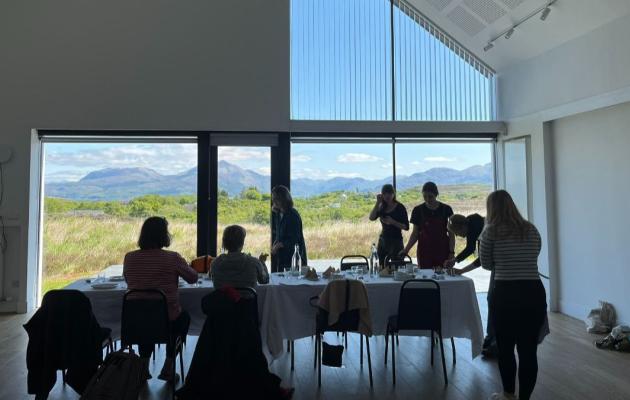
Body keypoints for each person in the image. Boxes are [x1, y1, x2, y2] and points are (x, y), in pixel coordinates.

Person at [480, 190, 547, 400]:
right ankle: (524, 398)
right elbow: (535, 254)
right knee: (528, 351)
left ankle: (508, 395)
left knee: (506, 349)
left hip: (505, 293)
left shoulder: (490, 231)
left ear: (491, 208)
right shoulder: (531, 229)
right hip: (533, 292)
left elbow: (486, 264)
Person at [123, 216, 198, 382]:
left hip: (135, 321)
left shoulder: (129, 257)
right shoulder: (172, 258)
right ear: (164, 235)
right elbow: (193, 278)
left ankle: (142, 367)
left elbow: (129, 280)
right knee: (182, 317)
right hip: (168, 320)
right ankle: (169, 365)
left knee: (146, 317)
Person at [445, 213, 497, 356]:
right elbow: (470, 248)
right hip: (500, 268)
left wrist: (461, 269)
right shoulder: (475, 224)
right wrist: (455, 261)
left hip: (500, 269)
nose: (459, 236)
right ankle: (491, 338)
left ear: (463, 226)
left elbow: (480, 259)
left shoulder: (482, 230)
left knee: (493, 300)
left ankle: (494, 340)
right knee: (492, 300)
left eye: (458, 233)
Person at [400, 182, 455, 268]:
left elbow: (451, 234)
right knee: (425, 278)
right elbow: (415, 234)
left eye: (430, 196)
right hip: (424, 251)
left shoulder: (446, 209)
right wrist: (406, 250)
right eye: (425, 196)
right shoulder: (417, 210)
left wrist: (451, 253)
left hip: (442, 250)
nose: (427, 199)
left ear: (436, 194)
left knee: (443, 277)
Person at [212, 225, 270, 289]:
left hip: (222, 299)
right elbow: (265, 281)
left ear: (224, 243)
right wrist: (262, 262)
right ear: (242, 243)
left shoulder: (215, 263)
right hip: (247, 298)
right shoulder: (254, 262)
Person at [368, 184, 409, 267]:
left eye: (390, 193)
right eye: (385, 194)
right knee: (380, 266)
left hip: (396, 241)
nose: (387, 196)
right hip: (383, 240)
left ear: (393, 194)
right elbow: (371, 218)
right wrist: (377, 203)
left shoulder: (400, 207)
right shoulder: (381, 206)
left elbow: (406, 227)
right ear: (382, 195)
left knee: (397, 267)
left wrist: (393, 222)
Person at [271, 185, 307, 273]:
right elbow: (279, 234)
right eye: (273, 198)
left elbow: (294, 239)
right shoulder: (278, 214)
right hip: (282, 258)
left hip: (293, 258)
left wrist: (278, 245)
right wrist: (275, 244)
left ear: (283, 199)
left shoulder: (293, 216)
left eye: (276, 198)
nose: (273, 201)